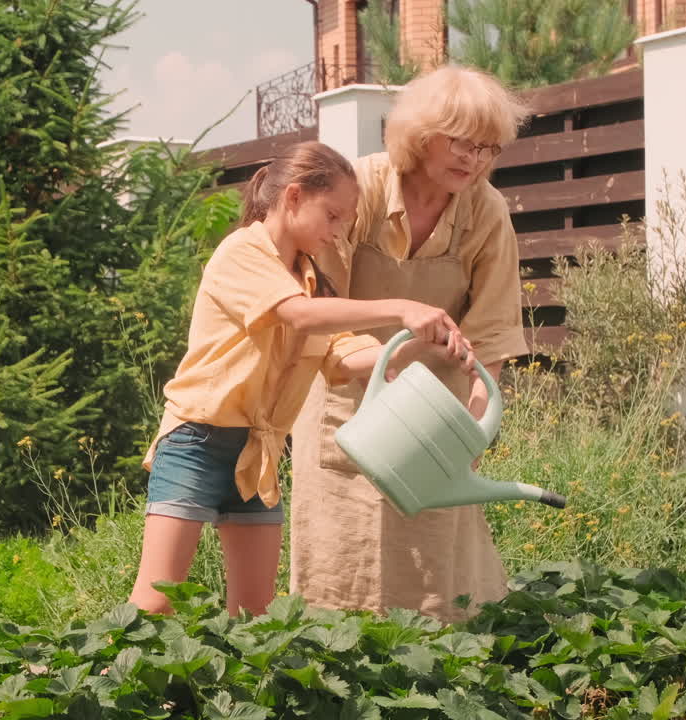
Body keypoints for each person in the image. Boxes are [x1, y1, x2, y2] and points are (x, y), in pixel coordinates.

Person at [127, 141, 474, 616]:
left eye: (345, 221)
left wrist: (421, 347)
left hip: (258, 452)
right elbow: (299, 317)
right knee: (155, 603)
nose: (339, 232)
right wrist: (400, 307)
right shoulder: (242, 253)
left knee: (255, 614)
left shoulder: (309, 278)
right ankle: (106, 684)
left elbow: (342, 357)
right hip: (196, 442)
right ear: (293, 197)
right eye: (332, 216)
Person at [289, 66, 532, 623]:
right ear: (423, 134)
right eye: (461, 141)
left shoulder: (486, 210)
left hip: (434, 414)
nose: (473, 159)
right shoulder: (362, 189)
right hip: (343, 402)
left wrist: (469, 434)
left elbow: (492, 333)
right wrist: (391, 357)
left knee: (435, 578)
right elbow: (323, 314)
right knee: (339, 572)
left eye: (486, 148)